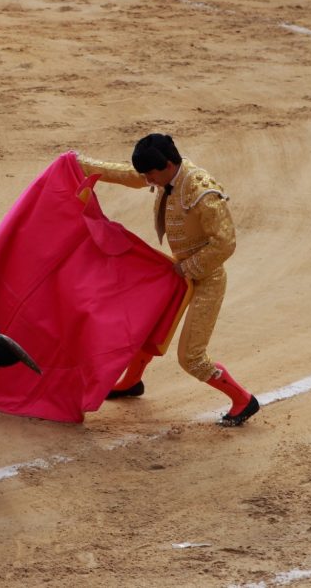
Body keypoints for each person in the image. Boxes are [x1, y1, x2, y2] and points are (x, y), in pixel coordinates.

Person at [76, 133, 260, 427]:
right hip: (180, 270)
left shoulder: (203, 192)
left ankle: (243, 400)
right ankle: (132, 382)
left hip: (206, 277)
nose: (147, 179)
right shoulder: (165, 174)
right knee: (144, 323)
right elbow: (131, 176)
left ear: (169, 164)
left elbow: (225, 244)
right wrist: (83, 165)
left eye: (151, 173)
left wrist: (190, 267)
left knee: (191, 357)